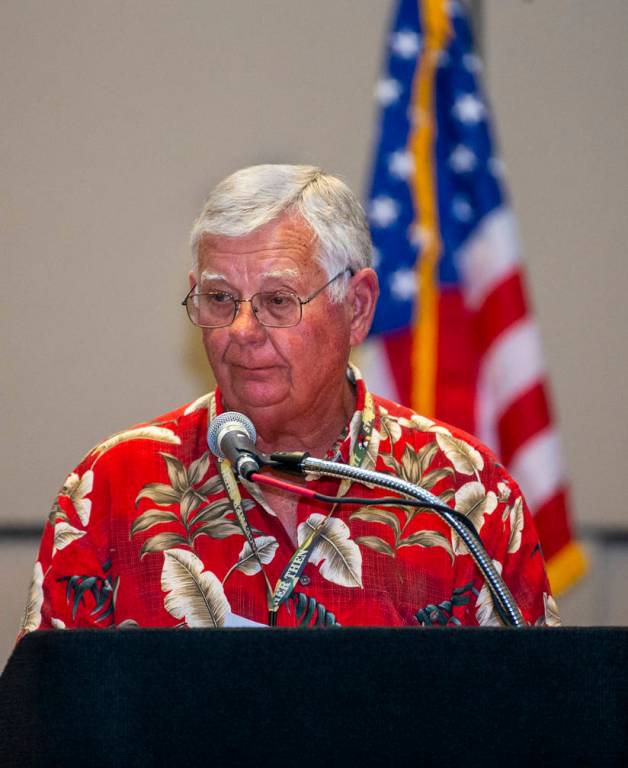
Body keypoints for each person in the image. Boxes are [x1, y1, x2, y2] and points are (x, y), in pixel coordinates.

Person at [20, 165, 558, 632]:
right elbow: (47, 722)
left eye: (278, 301)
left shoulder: (464, 492)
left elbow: (537, 720)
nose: (243, 329)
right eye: (220, 298)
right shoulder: (111, 488)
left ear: (359, 306)